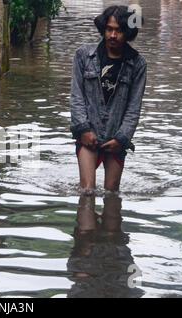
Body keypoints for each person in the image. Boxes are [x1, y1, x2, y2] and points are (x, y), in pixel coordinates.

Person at [70, 5, 147, 192]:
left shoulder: (137, 64)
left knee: (112, 195)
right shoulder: (84, 56)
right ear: (103, 29)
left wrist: (122, 138)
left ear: (127, 33)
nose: (113, 35)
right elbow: (76, 97)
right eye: (109, 29)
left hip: (116, 139)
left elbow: (133, 107)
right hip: (89, 135)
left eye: (119, 30)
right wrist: (83, 129)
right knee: (87, 192)